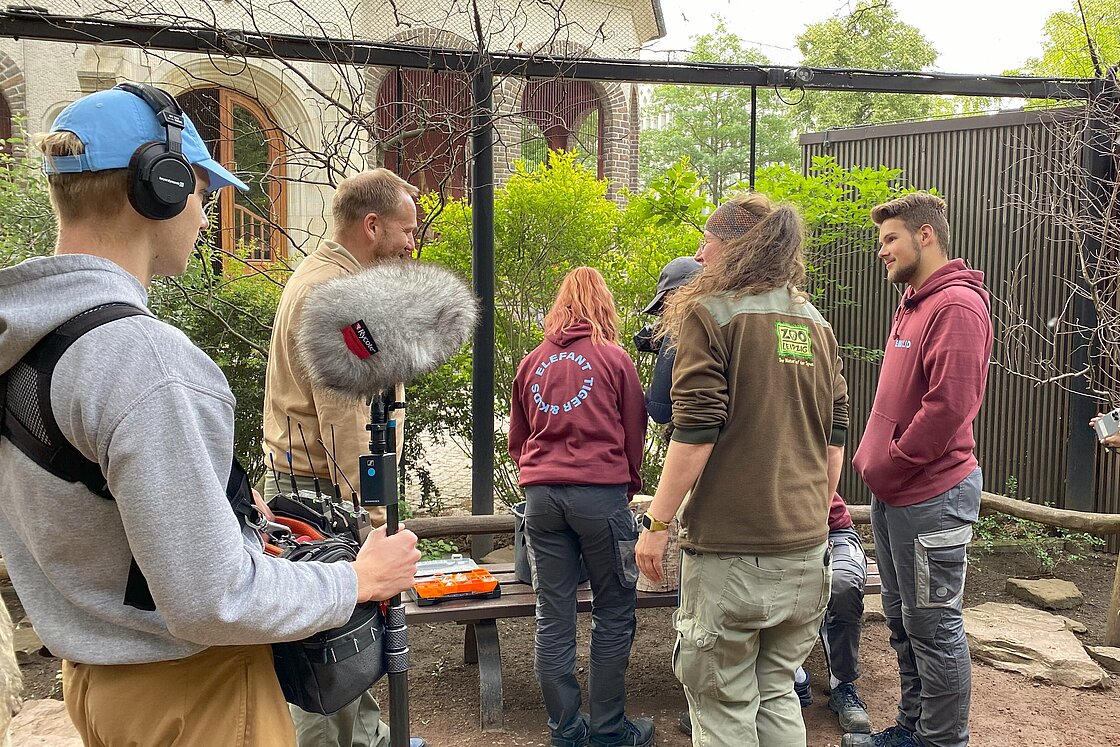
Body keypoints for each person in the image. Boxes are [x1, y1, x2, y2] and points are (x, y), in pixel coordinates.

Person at [0, 84, 420, 746]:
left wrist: (220, 506)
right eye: (199, 190)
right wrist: (357, 577)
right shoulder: (145, 360)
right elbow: (211, 596)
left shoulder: (27, 342)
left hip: (101, 684)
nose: (206, 216)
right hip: (195, 696)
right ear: (157, 187)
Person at [635, 193, 849, 747]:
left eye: (708, 242)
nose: (700, 257)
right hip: (806, 553)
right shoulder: (814, 321)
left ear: (735, 248)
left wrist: (657, 527)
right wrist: (814, 512)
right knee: (776, 690)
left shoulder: (711, 314)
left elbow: (696, 430)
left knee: (723, 703)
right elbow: (836, 436)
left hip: (732, 553)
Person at [261, 168, 427, 747]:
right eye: (406, 232)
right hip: (324, 491)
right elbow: (348, 422)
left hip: (313, 482)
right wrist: (376, 515)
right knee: (328, 650)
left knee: (348, 633)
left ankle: (368, 738)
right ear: (372, 225)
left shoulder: (327, 279)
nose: (413, 244)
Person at [847, 193, 992, 747]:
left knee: (934, 626)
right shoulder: (914, 301)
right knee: (904, 621)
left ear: (926, 235)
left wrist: (894, 462)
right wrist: (883, 470)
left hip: (932, 493)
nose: (882, 251)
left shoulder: (955, 306)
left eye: (890, 239)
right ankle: (912, 729)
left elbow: (950, 405)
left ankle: (941, 740)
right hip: (896, 494)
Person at [508, 267, 652, 747]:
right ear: (603, 306)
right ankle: (610, 731)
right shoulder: (615, 359)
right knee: (613, 609)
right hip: (599, 494)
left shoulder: (531, 363)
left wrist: (542, 475)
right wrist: (625, 484)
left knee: (554, 612)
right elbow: (635, 433)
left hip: (542, 499)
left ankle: (566, 732)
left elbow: (518, 440)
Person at [634, 256, 703, 426]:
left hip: (699, 438)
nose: (664, 313)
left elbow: (660, 409)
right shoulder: (730, 315)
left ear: (675, 297)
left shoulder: (681, 325)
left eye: (664, 304)